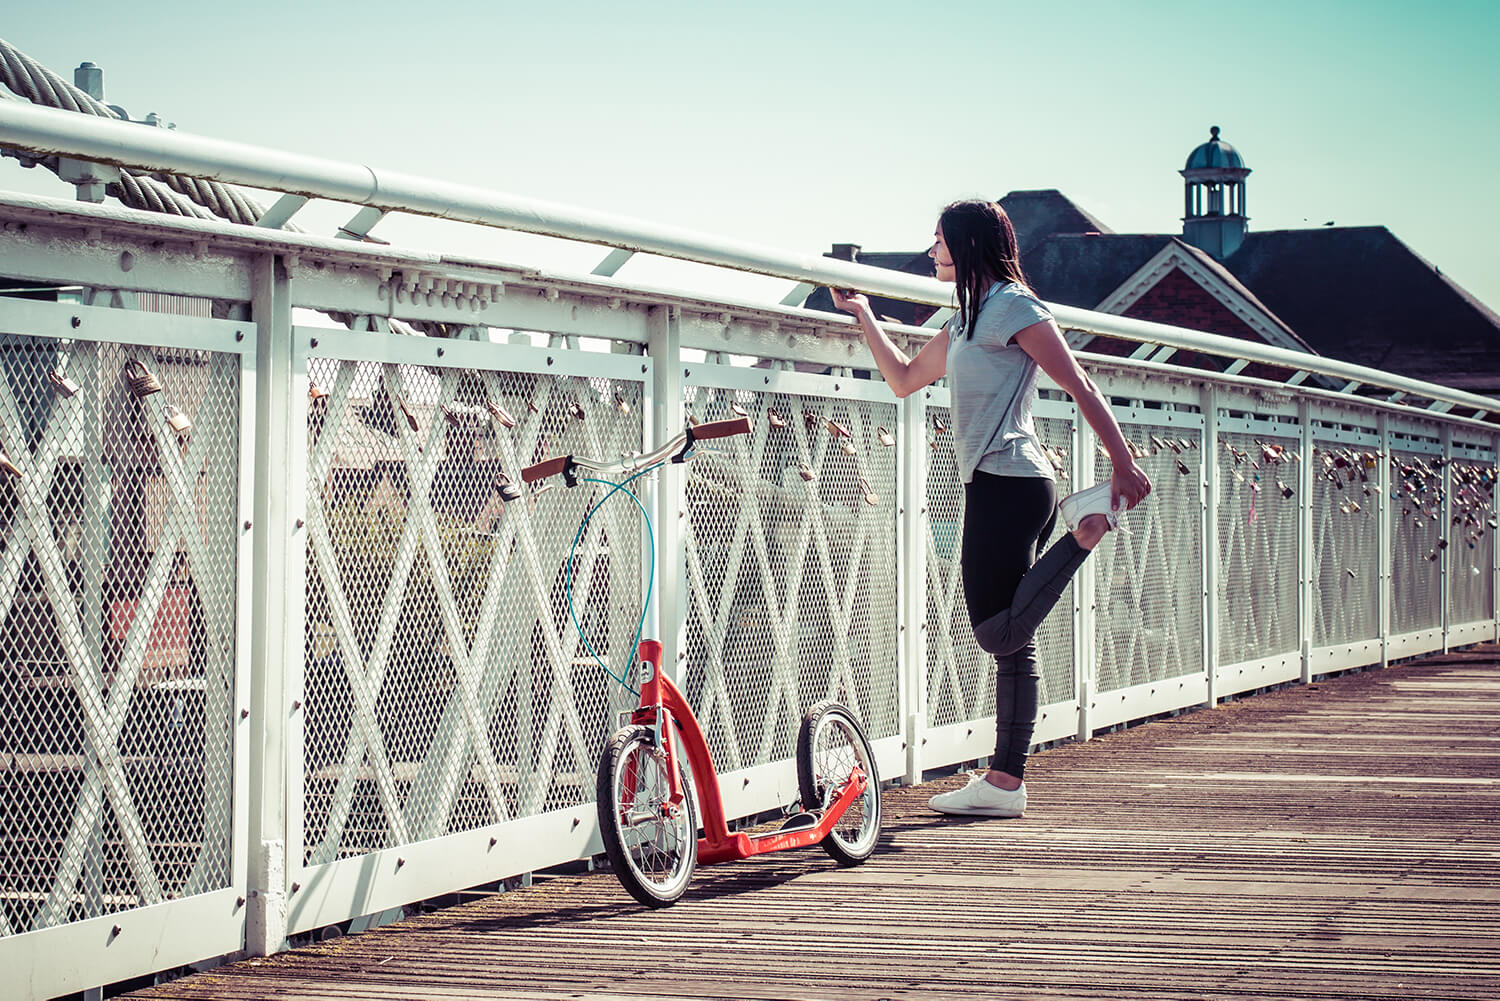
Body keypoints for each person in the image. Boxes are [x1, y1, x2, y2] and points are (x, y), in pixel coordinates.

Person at [830, 199, 1151, 818]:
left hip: (1013, 480)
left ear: (970, 244)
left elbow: (1079, 383)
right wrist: (865, 314)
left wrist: (1121, 460)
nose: (931, 251)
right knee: (1013, 642)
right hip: (993, 483)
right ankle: (1006, 783)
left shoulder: (1015, 307)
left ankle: (1083, 537)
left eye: (940, 241)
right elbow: (902, 379)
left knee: (993, 629)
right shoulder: (966, 320)